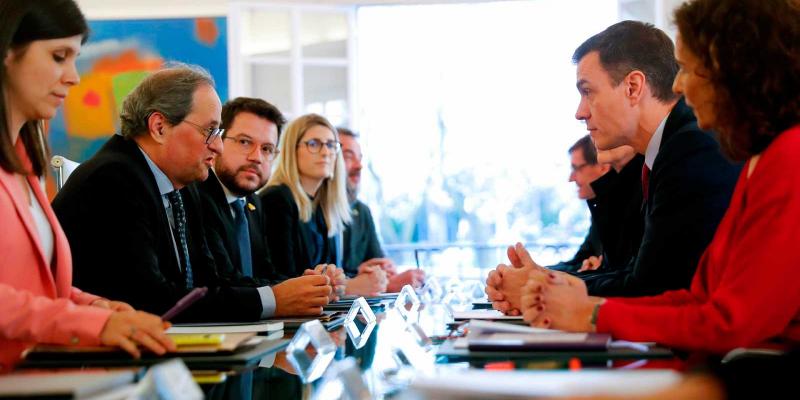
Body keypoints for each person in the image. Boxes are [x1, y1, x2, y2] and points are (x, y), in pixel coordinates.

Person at [518, 0, 800, 354]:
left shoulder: (788, 156)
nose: (678, 86)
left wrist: (592, 314)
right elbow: (697, 298)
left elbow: (732, 323)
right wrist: (587, 306)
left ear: (735, 72)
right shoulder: (763, 159)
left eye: (690, 69)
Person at [486, 20, 740, 313]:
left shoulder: (690, 150)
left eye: (588, 91)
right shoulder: (670, 149)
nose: (580, 112)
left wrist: (540, 288)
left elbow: (651, 288)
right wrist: (542, 281)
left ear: (633, 87)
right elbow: (634, 273)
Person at [53, 66, 332, 322]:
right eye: (210, 131)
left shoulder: (182, 187)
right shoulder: (114, 179)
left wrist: (296, 291)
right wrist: (272, 300)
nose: (219, 146)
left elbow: (210, 282)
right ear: (159, 127)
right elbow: (149, 300)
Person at [0, 0, 174, 370]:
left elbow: (36, 289)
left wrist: (93, 306)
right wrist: (93, 324)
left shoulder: (24, 168)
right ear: (7, 53)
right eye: (58, 56)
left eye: (75, 58)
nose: (74, 77)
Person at [196, 97, 343, 304]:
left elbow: (266, 274)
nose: (256, 157)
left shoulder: (253, 203)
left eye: (266, 149)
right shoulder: (197, 195)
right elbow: (222, 281)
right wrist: (291, 291)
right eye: (245, 142)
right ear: (218, 140)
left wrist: (309, 284)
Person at [260, 115, 387, 296]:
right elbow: (283, 281)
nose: (326, 152)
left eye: (331, 145)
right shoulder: (277, 199)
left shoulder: (324, 206)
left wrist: (352, 278)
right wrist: (349, 286)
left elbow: (331, 276)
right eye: (313, 144)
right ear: (292, 150)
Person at [337, 127, 425, 292]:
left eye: (360, 158)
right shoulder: (309, 211)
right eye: (348, 157)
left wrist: (387, 271)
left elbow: (379, 265)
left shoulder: (362, 211)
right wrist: (363, 281)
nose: (359, 166)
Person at [548, 135, 608, 273]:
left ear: (603, 167)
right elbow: (579, 261)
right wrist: (535, 271)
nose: (571, 178)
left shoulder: (619, 209)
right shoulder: (600, 208)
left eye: (577, 168)